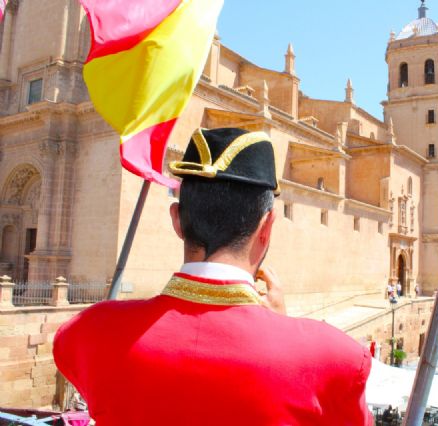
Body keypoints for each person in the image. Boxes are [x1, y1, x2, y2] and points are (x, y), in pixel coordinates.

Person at [53, 128, 372, 425]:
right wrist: (283, 330)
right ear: (267, 227)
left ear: (177, 220)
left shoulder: (90, 332)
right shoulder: (336, 359)